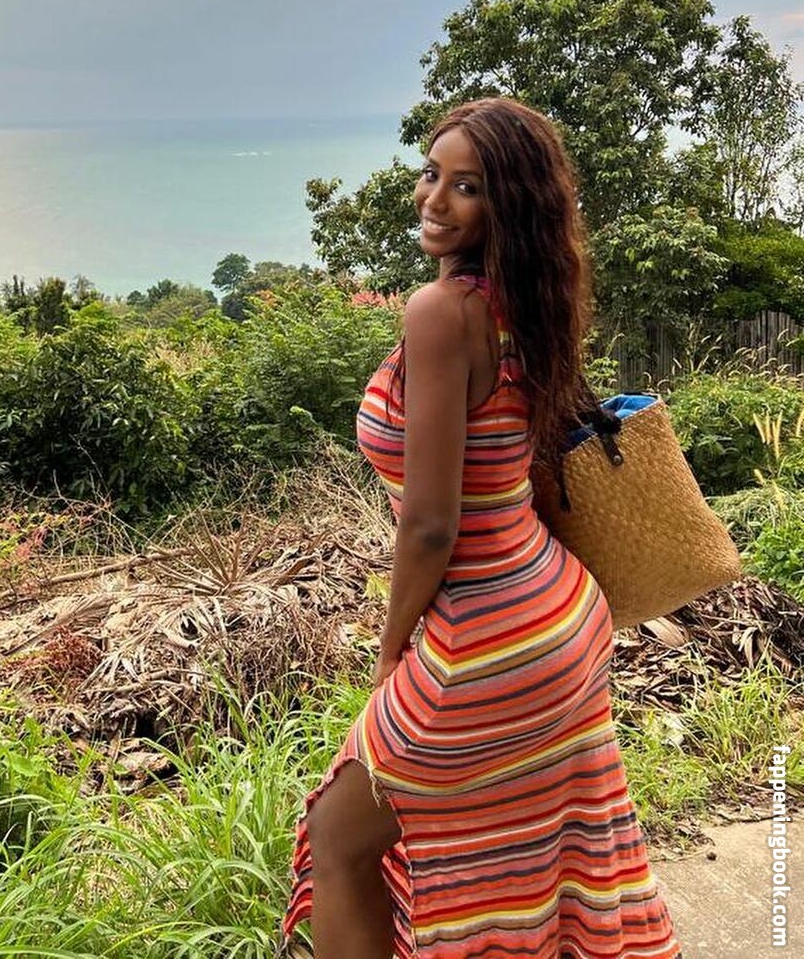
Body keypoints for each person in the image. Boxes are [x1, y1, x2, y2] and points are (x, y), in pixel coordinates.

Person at [277, 97, 682, 959]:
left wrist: (391, 652)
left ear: (509, 205)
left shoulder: (441, 312)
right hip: (563, 616)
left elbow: (430, 526)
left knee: (340, 839)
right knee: (521, 851)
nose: (435, 199)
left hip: (485, 639)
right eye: (432, 175)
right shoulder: (529, 304)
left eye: (467, 186)